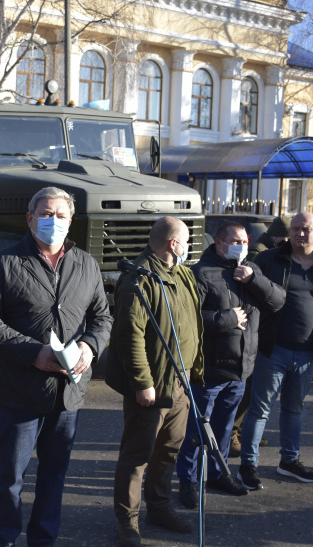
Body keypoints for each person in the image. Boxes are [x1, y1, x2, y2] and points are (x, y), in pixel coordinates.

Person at [0, 187, 112, 547]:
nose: (53, 221)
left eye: (60, 215)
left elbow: (103, 318)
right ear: (30, 219)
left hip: (69, 392)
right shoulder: (3, 262)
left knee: (55, 475)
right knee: (10, 476)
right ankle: (3, 538)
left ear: (70, 220)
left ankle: (43, 539)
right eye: (46, 214)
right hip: (20, 389)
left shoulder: (87, 264)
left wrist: (90, 346)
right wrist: (33, 352)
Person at [106, 216, 204, 547]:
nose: (189, 247)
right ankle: (127, 521)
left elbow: (192, 323)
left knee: (169, 451)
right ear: (173, 244)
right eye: (186, 240)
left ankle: (159, 508)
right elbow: (129, 335)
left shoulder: (182, 274)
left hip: (181, 383)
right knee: (137, 455)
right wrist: (141, 382)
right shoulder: (138, 278)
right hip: (153, 384)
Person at [177, 221, 285, 504]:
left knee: (225, 427)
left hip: (241, 368)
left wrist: (253, 280)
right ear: (220, 243)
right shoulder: (200, 273)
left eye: (244, 241)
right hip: (209, 368)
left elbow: (277, 302)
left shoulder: (251, 270)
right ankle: (187, 480)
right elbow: (187, 320)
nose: (241, 245)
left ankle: (219, 472)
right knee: (198, 429)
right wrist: (227, 320)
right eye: (235, 241)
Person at [237, 212, 313, 490]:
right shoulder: (269, 260)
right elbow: (250, 296)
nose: (300, 234)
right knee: (260, 410)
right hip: (273, 349)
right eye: (296, 229)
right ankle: (248, 465)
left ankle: (289, 461)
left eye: (306, 229)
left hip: (308, 353)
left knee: (294, 409)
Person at [231, 215, 292, 457]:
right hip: (254, 326)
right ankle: (235, 433)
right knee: (246, 389)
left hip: (261, 325)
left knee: (254, 389)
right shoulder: (260, 253)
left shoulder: (268, 250)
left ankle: (244, 430)